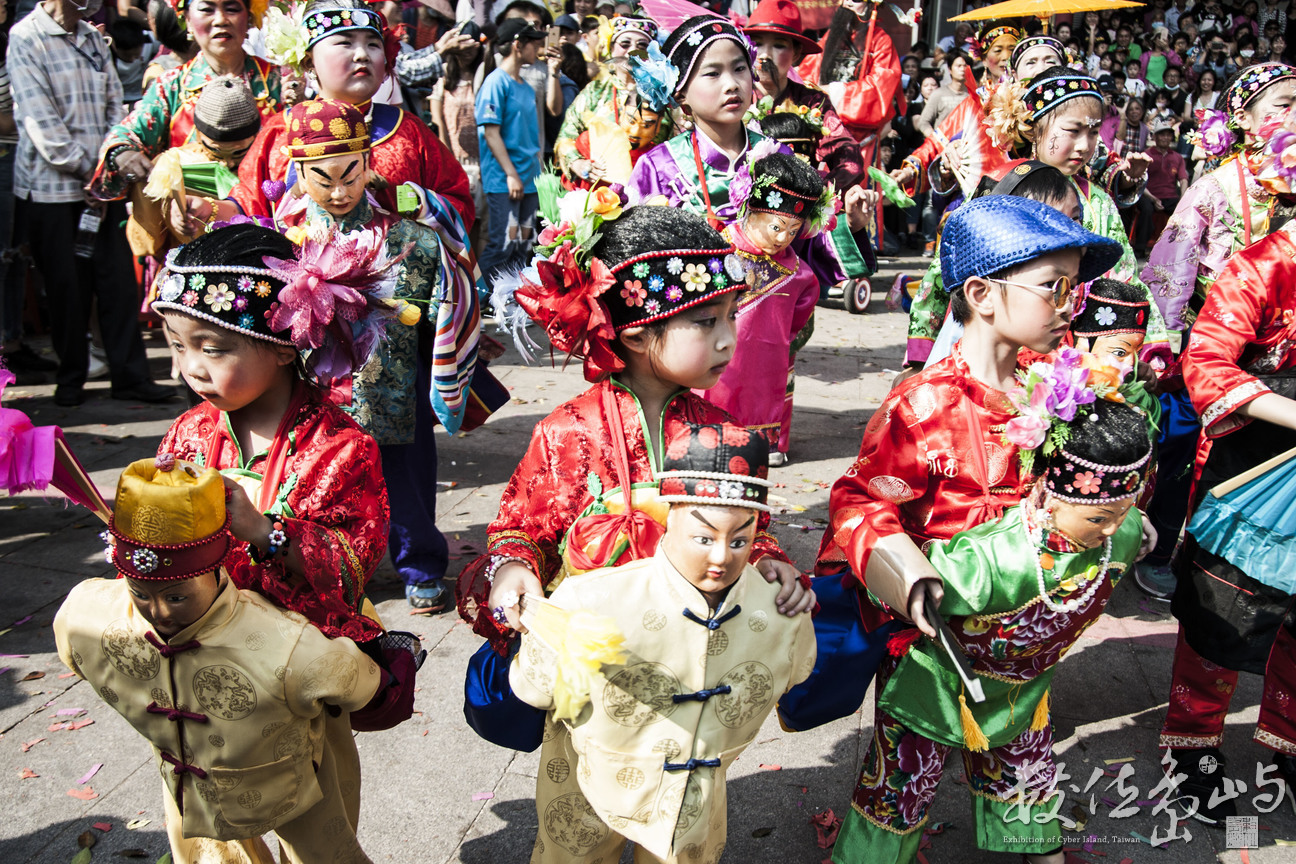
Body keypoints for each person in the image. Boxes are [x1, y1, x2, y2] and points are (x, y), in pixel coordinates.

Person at [819, 196, 1131, 862]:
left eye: (1074, 289)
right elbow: (859, 502)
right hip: (937, 649)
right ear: (983, 294)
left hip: (1024, 648)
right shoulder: (922, 405)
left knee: (1023, 772)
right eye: (1055, 287)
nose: (1070, 306)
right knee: (901, 783)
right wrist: (908, 574)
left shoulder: (1055, 390)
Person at [458, 204, 812, 654]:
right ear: (636, 335)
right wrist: (514, 568)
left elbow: (749, 528)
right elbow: (522, 530)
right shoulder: (568, 432)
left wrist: (765, 558)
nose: (728, 338)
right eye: (707, 321)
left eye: (731, 316)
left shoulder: (725, 432)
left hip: (697, 649)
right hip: (594, 654)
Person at [838, 376, 1154, 864]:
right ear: (1048, 493)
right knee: (901, 785)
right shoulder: (988, 559)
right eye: (1097, 517)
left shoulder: (1125, 532)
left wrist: (1118, 521)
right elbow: (895, 582)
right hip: (940, 687)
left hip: (1022, 689)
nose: (1111, 528)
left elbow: (1119, 522)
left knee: (1027, 771)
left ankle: (1039, 850)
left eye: (1123, 512)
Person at [510, 421, 816, 864]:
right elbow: (535, 687)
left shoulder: (783, 613)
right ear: (667, 519)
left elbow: (531, 686)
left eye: (741, 540)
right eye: (703, 536)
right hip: (588, 778)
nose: (721, 556)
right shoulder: (589, 599)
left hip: (694, 794)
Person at [53, 456, 385, 864]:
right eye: (140, 593)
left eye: (176, 596)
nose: (158, 613)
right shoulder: (87, 616)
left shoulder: (285, 646)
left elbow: (353, 682)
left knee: (321, 852)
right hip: (190, 784)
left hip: (291, 780)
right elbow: (364, 683)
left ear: (213, 570)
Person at [153, 223, 391, 646]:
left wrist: (262, 530)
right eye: (177, 346)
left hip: (293, 652)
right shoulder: (189, 430)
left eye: (211, 349)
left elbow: (353, 563)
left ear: (284, 346)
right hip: (193, 639)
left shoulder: (338, 446)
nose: (191, 367)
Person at [268, 99, 454, 613]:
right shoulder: (284, 239)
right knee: (322, 478)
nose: (338, 190)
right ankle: (332, 565)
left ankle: (420, 563)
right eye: (321, 178)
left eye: (350, 174)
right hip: (316, 383)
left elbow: (429, 306)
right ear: (297, 170)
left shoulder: (408, 235)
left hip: (391, 376)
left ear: (369, 162)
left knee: (407, 473)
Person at [1138, 62, 1296, 599]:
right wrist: (1167, 347)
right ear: (1246, 119)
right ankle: (1162, 553)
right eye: (1283, 103)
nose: (1294, 115)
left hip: (1282, 362)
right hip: (1213, 349)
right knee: (1182, 456)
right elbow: (1168, 271)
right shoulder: (1215, 187)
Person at [1158, 214, 1296, 821]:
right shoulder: (1263, 266)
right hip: (1253, 467)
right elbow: (1207, 362)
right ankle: (1192, 744)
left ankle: (1286, 744)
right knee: (1226, 611)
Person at [9, 0, 174, 407]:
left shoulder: (91, 37)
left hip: (103, 187)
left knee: (117, 282)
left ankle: (130, 376)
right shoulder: (25, 37)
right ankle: (72, 378)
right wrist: (93, 170)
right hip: (52, 190)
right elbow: (41, 123)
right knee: (67, 288)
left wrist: (109, 165)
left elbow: (113, 109)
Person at [699, 150, 833, 466]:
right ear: (754, 212)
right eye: (777, 227)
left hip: (768, 357)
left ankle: (770, 441)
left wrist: (785, 345)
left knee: (770, 389)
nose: (784, 238)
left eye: (793, 229)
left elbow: (801, 323)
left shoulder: (800, 274)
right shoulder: (717, 247)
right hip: (716, 348)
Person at [92, 0, 280, 201]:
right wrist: (122, 152)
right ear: (188, 20)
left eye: (232, 9)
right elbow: (127, 134)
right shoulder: (172, 86)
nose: (220, 20)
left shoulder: (280, 82)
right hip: (190, 220)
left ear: (249, 18)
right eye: (207, 10)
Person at [742, 0, 865, 194]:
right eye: (757, 43)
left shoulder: (813, 102)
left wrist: (816, 193)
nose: (764, 55)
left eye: (778, 45)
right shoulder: (735, 98)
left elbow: (849, 159)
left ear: (796, 53)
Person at [552, 15, 671, 187]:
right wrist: (576, 162)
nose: (632, 51)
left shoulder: (662, 96)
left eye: (642, 45)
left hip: (647, 186)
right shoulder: (595, 91)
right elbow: (566, 136)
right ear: (612, 48)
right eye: (625, 44)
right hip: (596, 187)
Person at [794, 0, 903, 168]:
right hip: (823, 133)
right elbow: (807, 74)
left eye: (857, 0)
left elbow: (880, 89)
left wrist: (834, 92)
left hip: (859, 141)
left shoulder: (881, 41)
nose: (848, 4)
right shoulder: (831, 37)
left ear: (872, 5)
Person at [477, 16, 544, 283]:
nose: (537, 49)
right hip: (506, 179)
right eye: (533, 43)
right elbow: (490, 133)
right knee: (502, 242)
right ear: (518, 44)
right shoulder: (495, 83)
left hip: (530, 179)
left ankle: (510, 299)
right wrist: (510, 174)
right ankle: (472, 296)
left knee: (523, 243)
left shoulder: (525, 87)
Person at [1135, 118, 1188, 256]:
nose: (1165, 138)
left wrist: (1184, 199)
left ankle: (1181, 248)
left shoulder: (1177, 157)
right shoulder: (1146, 155)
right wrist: (1153, 199)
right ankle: (1140, 248)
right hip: (1148, 194)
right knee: (1146, 209)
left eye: (1168, 135)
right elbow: (1139, 180)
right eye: (1161, 134)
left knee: (1183, 211)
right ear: (1155, 137)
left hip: (1170, 196)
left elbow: (1183, 180)